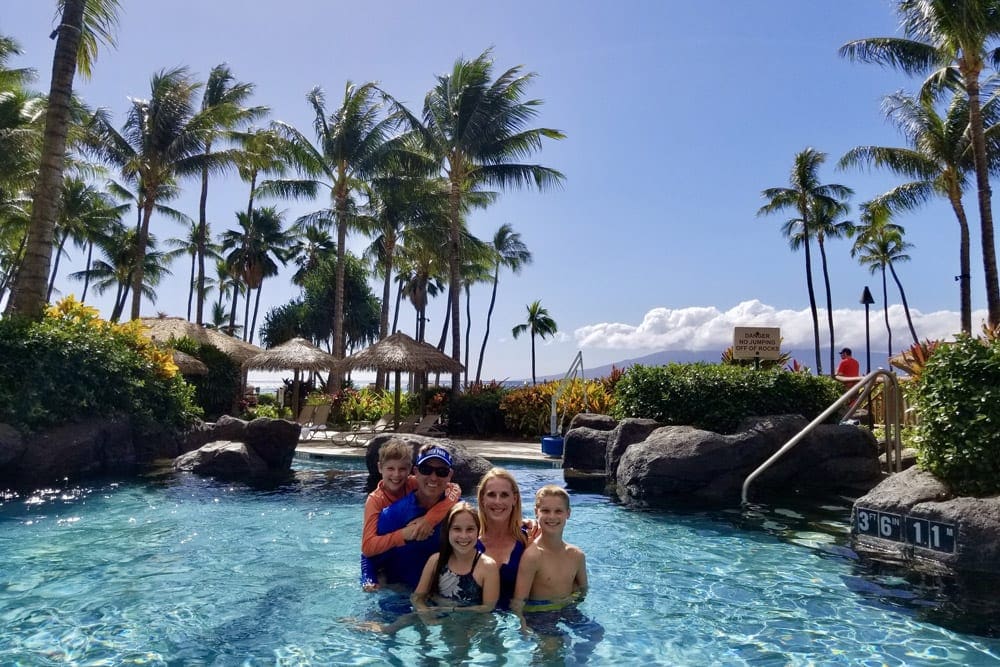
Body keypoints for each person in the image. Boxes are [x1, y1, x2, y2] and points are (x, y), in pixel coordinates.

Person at [360, 439, 460, 591]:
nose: (396, 475)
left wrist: (429, 520)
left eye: (402, 469)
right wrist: (404, 534)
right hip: (384, 550)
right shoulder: (375, 501)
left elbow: (454, 489)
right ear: (380, 468)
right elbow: (367, 548)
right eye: (390, 469)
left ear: (410, 470)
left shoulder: (413, 483)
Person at [511, 485, 588, 615]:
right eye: (545, 511)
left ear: (568, 513)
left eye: (558, 511)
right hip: (540, 615)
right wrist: (523, 628)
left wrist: (572, 600)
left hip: (569, 608)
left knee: (597, 633)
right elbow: (519, 601)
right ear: (536, 512)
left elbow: (583, 590)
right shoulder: (532, 556)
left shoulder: (577, 555)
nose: (552, 517)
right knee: (558, 637)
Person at [411, 502, 500, 614]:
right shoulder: (435, 561)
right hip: (437, 620)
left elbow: (488, 608)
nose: (463, 536)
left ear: (478, 531)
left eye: (470, 529)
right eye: (457, 529)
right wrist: (427, 617)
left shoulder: (488, 567)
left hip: (471, 626)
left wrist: (451, 609)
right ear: (448, 531)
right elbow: (417, 598)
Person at [475, 467, 535, 610]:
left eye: (504, 495)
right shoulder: (467, 540)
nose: (497, 501)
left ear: (514, 499)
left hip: (519, 622)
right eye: (491, 495)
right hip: (477, 621)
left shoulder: (529, 538)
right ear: (482, 498)